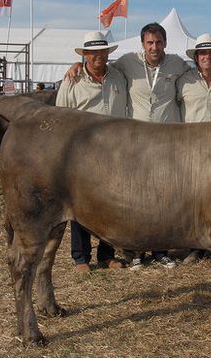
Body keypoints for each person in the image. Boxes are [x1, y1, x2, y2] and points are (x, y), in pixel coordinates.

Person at [65, 23, 190, 269]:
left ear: (165, 43)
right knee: (87, 201)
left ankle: (149, 251)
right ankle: (87, 256)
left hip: (159, 146)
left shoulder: (176, 65)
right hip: (122, 147)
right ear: (142, 44)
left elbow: (199, 73)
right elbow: (63, 113)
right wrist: (77, 66)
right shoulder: (124, 64)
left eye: (158, 42)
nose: (154, 47)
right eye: (149, 43)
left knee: (155, 200)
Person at [56, 31, 128, 272]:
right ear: (85, 55)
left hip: (114, 151)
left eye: (102, 51)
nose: (99, 56)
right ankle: (80, 257)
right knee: (79, 205)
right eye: (93, 52)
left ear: (108, 53)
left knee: (110, 203)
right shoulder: (72, 80)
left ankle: (107, 254)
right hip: (82, 152)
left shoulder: (119, 77)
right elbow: (61, 117)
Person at [176, 33, 211, 266]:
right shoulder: (184, 81)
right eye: (202, 53)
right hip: (189, 151)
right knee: (191, 201)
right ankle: (194, 247)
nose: (207, 57)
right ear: (196, 57)